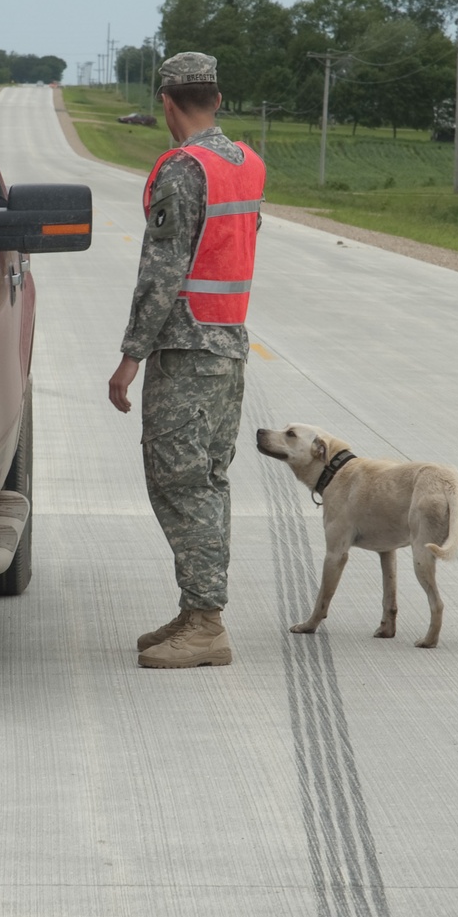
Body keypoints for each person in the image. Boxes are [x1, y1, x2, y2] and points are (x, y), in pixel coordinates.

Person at [109, 51, 266, 669]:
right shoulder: (246, 163)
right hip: (228, 344)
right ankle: (197, 609)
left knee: (178, 479)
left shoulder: (182, 168)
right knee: (210, 479)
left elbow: (162, 272)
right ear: (218, 100)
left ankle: (205, 622)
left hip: (187, 348)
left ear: (167, 103)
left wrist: (130, 357)